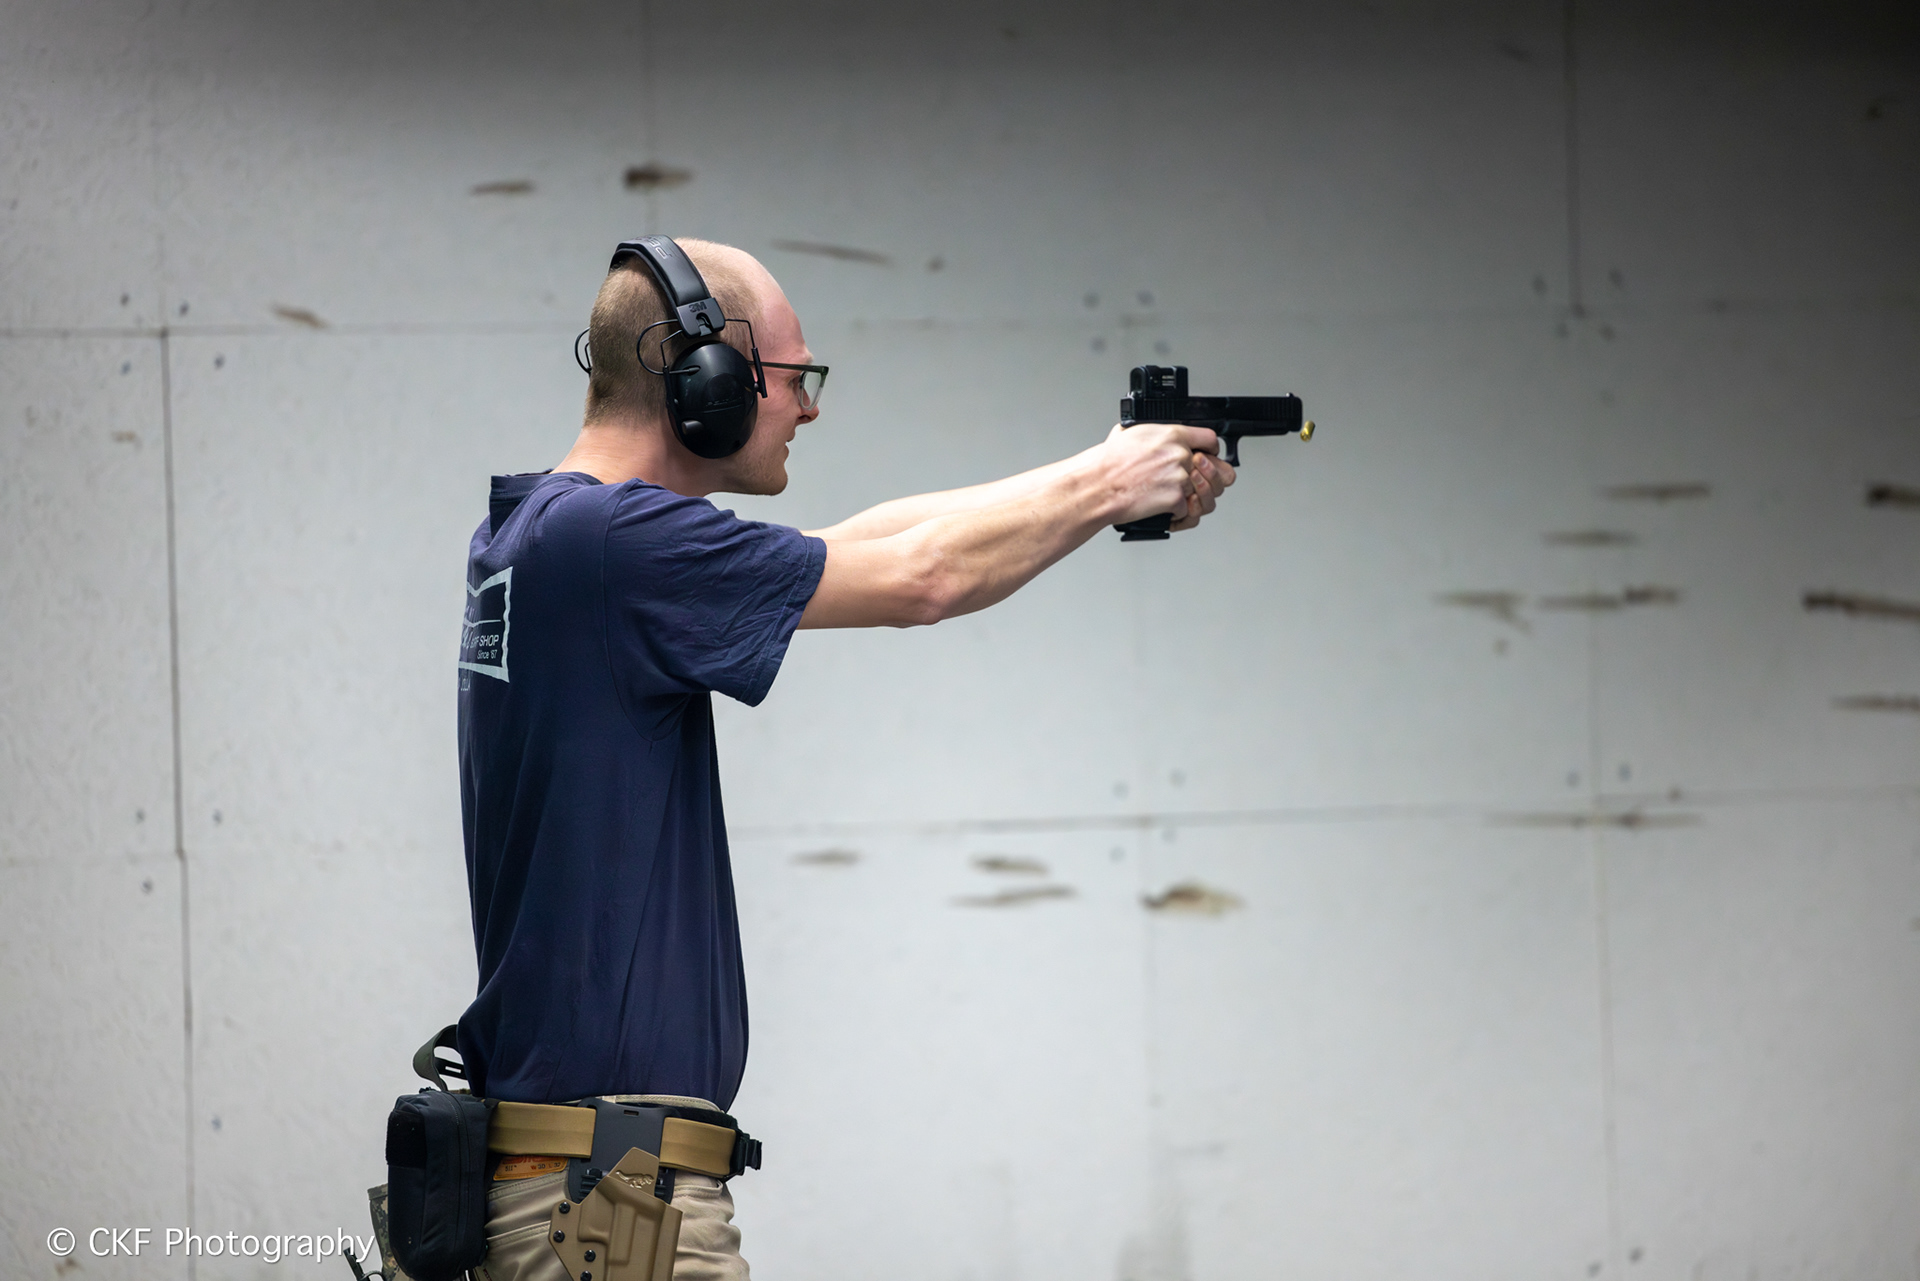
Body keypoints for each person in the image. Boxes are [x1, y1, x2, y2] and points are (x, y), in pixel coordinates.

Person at [454, 237, 1233, 1280]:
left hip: (585, 1181)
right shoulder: (609, 543)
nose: (808, 407)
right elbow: (923, 580)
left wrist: (1103, 470)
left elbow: (869, 543)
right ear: (705, 379)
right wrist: (1104, 486)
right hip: (608, 1199)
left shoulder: (550, 531)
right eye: (793, 377)